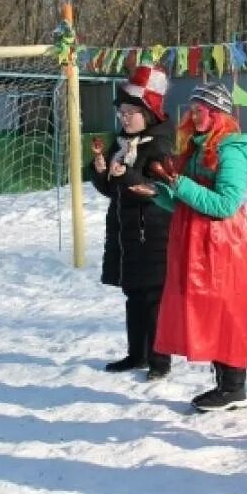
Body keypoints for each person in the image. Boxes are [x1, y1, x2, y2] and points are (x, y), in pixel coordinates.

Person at [151, 83, 247, 411]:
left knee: (227, 310)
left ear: (217, 114)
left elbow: (225, 205)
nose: (193, 114)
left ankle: (234, 387)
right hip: (199, 242)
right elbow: (189, 203)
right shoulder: (196, 147)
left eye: (200, 109)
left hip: (224, 244)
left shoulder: (231, 149)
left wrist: (178, 184)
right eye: (192, 109)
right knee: (210, 310)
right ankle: (225, 384)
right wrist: (157, 191)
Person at [88, 63, 175, 381]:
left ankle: (159, 359)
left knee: (154, 297)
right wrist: (100, 171)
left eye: (130, 112)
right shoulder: (121, 142)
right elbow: (112, 189)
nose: (124, 118)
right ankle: (136, 353)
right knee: (133, 295)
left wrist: (130, 176)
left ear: (149, 112)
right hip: (125, 231)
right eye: (121, 112)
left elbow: (159, 188)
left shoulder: (159, 144)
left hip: (152, 231)